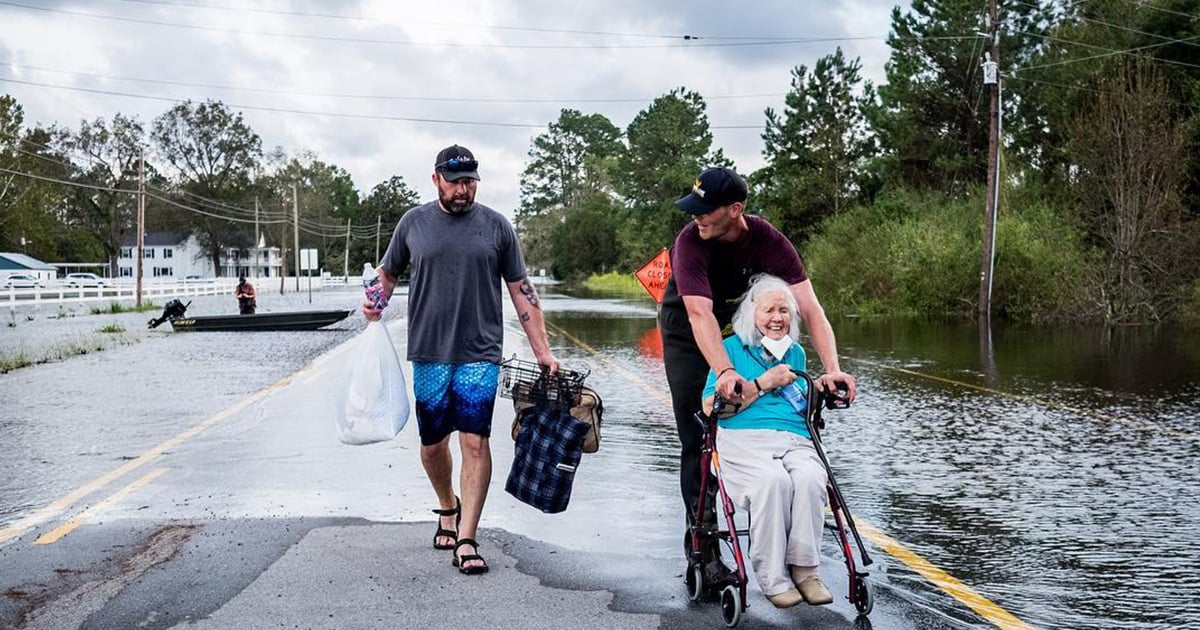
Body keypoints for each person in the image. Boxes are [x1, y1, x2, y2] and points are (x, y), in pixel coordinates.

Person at [362, 144, 558, 575]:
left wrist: (543, 351)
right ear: (436, 180)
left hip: (480, 351)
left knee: (475, 440)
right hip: (429, 351)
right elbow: (388, 272)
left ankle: (467, 537)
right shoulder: (413, 224)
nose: (464, 190)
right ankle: (446, 506)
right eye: (455, 182)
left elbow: (521, 290)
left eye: (470, 182)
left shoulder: (496, 227)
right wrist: (376, 300)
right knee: (433, 445)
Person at [659, 166, 856, 585]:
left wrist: (834, 370)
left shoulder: (768, 240)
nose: (697, 217)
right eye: (694, 210)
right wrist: (725, 371)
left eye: (705, 211)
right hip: (688, 329)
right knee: (699, 432)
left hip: (744, 328)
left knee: (761, 411)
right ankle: (704, 550)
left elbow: (811, 308)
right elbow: (699, 313)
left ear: (735, 210)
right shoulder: (690, 241)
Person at [701, 273, 835, 608]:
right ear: (751, 315)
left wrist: (819, 388)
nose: (777, 318)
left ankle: (805, 570)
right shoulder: (729, 350)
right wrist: (761, 383)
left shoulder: (796, 353)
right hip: (745, 438)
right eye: (769, 310)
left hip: (795, 436)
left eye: (785, 311)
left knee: (809, 479)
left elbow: (801, 400)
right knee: (773, 482)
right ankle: (773, 578)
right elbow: (709, 407)